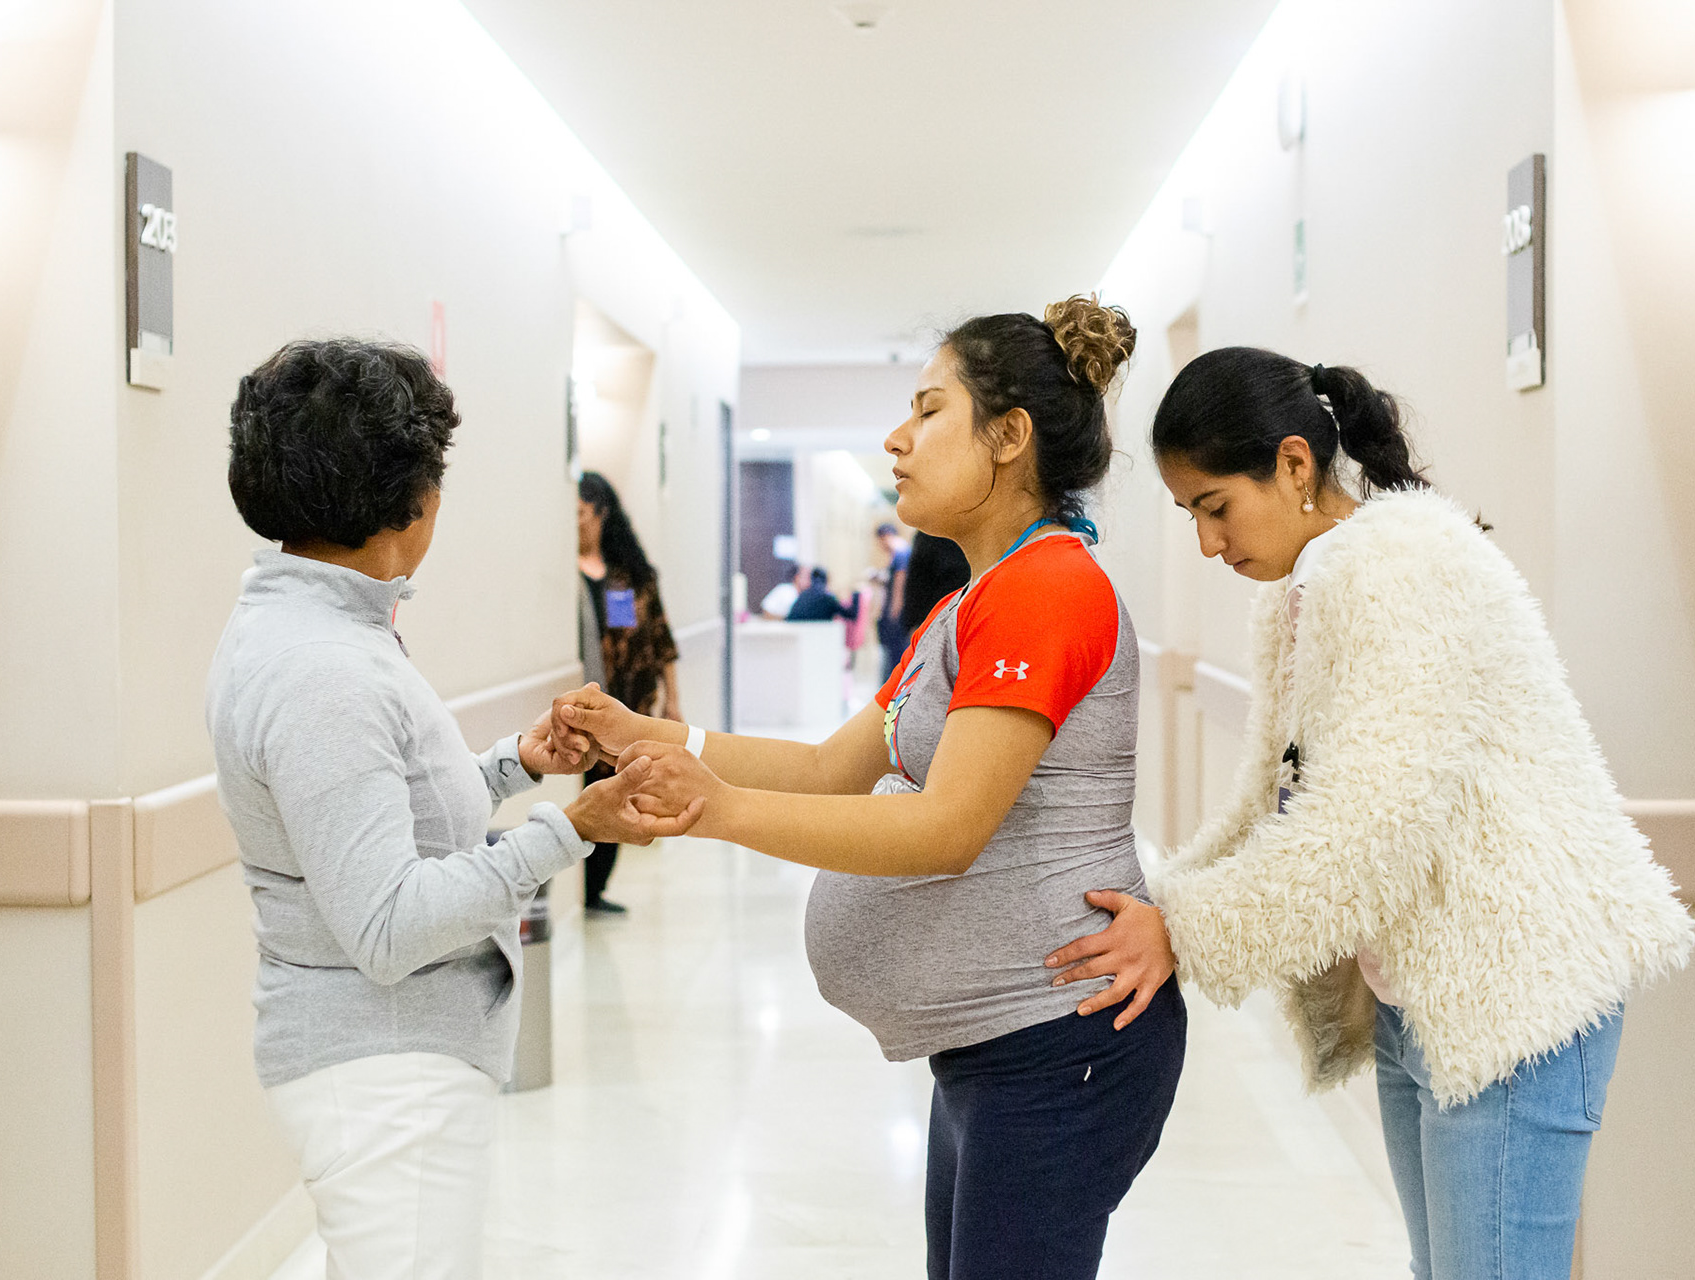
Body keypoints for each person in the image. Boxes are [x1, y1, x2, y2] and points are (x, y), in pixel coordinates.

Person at [553, 297, 1185, 1280]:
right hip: (992, 1044)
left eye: (928, 410)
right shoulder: (970, 603)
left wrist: (718, 810)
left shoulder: (1049, 586)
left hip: (1061, 1042)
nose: (897, 438)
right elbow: (824, 766)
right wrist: (652, 734)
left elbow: (946, 828)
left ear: (1010, 436)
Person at [1046, 347, 1695, 1279]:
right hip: (1421, 999)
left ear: (1296, 464)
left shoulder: (1401, 564)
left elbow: (1366, 835)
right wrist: (1151, 900)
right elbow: (1273, 801)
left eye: (1215, 506)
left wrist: (1177, 929)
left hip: (1515, 994)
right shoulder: (1304, 591)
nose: (1206, 543)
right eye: (1190, 515)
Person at [208, 339, 694, 1280]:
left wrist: (518, 766)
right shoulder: (326, 670)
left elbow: (383, 819)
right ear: (411, 501)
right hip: (385, 1072)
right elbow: (389, 924)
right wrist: (573, 828)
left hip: (387, 1063)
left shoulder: (313, 625)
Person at [576, 470, 681, 913]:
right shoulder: (564, 574)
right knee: (581, 791)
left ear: (601, 514)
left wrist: (673, 701)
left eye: (580, 513)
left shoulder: (630, 576)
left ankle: (595, 890)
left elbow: (660, 642)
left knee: (617, 790)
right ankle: (579, 891)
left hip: (630, 705)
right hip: (579, 707)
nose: (573, 522)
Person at [897, 531, 971, 636]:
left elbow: (917, 582)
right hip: (967, 615)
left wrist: (911, 622)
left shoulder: (930, 532)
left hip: (933, 617)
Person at [873, 521, 912, 677]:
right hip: (897, 611)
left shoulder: (900, 552)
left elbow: (900, 580)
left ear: (884, 537)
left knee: (896, 654)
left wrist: (895, 609)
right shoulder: (899, 553)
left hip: (897, 613)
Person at [783, 565, 858, 622]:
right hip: (817, 637)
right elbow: (851, 615)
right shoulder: (828, 598)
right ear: (827, 581)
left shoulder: (803, 595)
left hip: (796, 636)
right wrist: (856, 593)